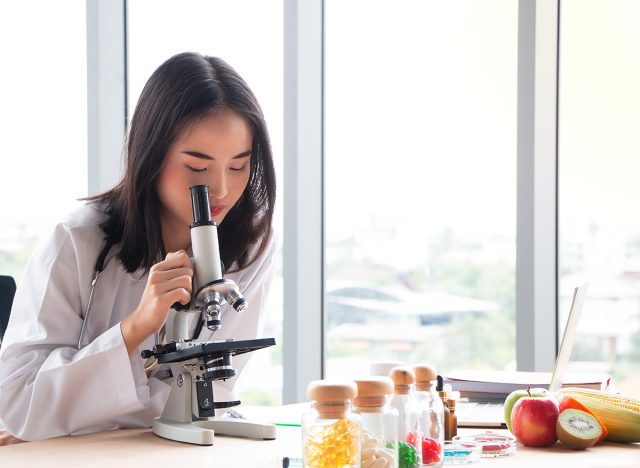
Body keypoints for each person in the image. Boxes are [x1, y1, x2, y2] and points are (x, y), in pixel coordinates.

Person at [0, 52, 277, 443]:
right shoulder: (77, 240)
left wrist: (68, 411)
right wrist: (136, 328)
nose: (222, 190)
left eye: (238, 166)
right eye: (197, 167)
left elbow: (214, 390)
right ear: (151, 154)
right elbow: (16, 398)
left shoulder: (251, 243)